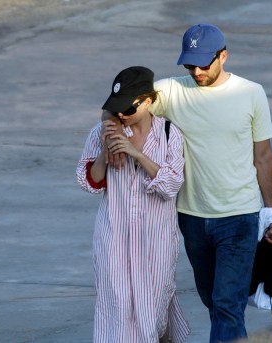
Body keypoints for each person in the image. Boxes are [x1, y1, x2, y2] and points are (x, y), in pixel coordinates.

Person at [104, 24, 272, 343]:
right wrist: (109, 131)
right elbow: (118, 103)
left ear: (223, 56)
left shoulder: (251, 93)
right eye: (189, 64)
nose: (196, 71)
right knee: (214, 302)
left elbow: (264, 156)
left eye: (203, 63)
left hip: (239, 216)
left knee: (228, 305)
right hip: (191, 218)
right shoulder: (172, 91)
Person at [76, 66, 190, 343]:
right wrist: (106, 151)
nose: (121, 115)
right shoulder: (102, 132)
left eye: (128, 108)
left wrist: (136, 154)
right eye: (117, 108)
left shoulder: (168, 133)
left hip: (156, 242)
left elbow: (171, 185)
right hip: (114, 238)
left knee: (155, 312)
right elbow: (89, 182)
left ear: (148, 100)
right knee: (116, 310)